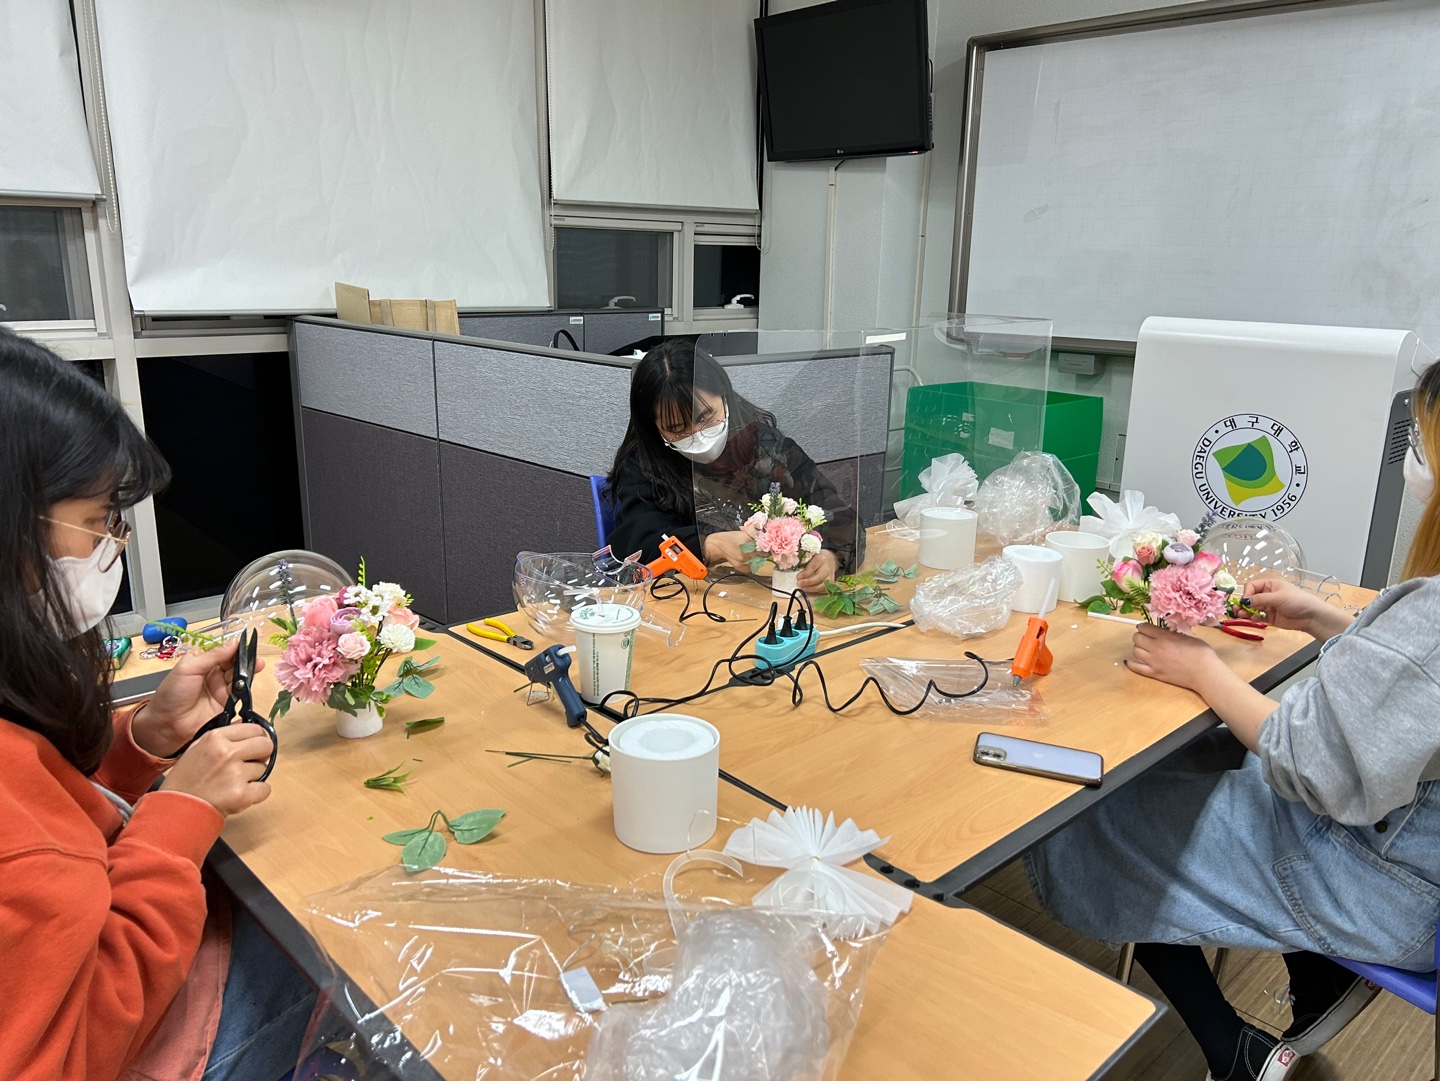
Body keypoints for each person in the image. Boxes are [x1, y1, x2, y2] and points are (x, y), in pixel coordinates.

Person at [1025, 361, 1440, 1081]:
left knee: (1082, 816)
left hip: (1380, 884)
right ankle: (1317, 974)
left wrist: (1203, 671)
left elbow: (1313, 766)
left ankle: (1232, 1047)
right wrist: (1329, 620)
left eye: (1424, 444)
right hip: (1399, 849)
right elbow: (1414, 694)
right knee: (1190, 758)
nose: (1414, 458)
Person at [0, 328, 314, 1081]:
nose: (111, 543)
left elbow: (46, 809)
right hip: (125, 1039)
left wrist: (137, 741)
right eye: (96, 520)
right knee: (331, 947)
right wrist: (179, 817)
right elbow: (67, 1051)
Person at [606, 339, 858, 592]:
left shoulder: (766, 446)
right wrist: (708, 545)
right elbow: (636, 547)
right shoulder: (642, 465)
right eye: (676, 429)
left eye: (705, 417)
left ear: (724, 396)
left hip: (766, 593)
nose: (697, 434)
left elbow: (834, 512)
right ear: (654, 428)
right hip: (691, 597)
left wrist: (832, 556)